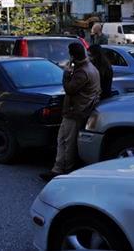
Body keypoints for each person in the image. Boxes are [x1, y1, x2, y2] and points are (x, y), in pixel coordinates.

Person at [40, 43, 101, 182]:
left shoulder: (82, 72)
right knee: (64, 139)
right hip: (82, 109)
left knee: (66, 141)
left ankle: (64, 170)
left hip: (75, 111)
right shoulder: (90, 68)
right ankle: (58, 168)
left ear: (72, 55)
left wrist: (66, 74)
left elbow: (70, 89)